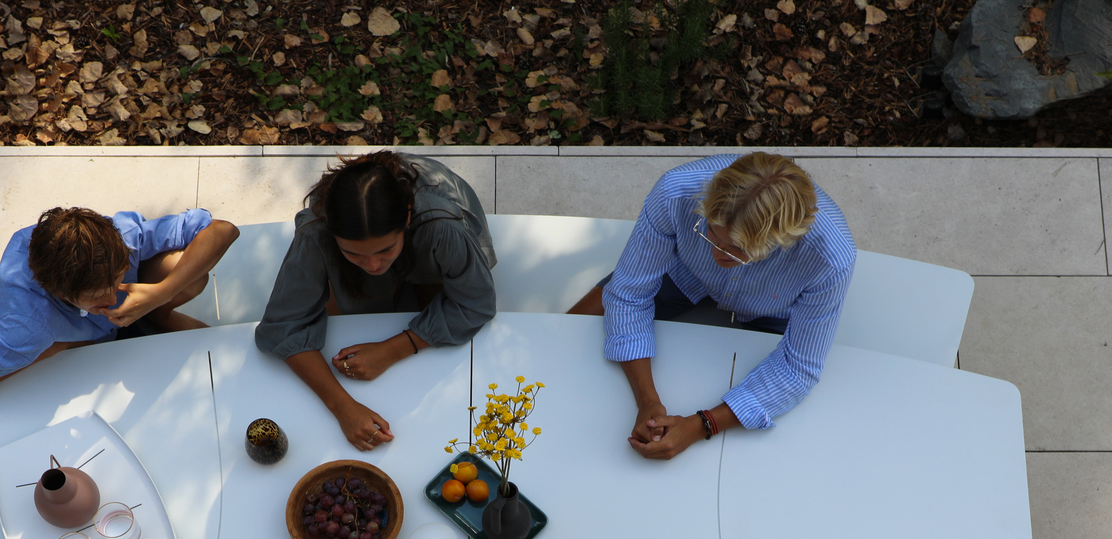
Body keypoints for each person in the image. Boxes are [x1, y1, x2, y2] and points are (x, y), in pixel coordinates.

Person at [568, 152, 856, 461]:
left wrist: (702, 425)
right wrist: (648, 402)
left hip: (774, 309)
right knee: (571, 333)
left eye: (738, 249)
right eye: (711, 233)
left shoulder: (831, 259)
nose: (719, 255)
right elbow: (628, 294)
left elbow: (797, 368)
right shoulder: (674, 192)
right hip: (685, 272)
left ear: (783, 240)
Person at [256, 152, 497, 452]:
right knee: (361, 300)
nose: (372, 265)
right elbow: (282, 327)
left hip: (438, 217)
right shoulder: (316, 232)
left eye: (385, 249)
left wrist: (395, 348)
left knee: (435, 300)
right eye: (354, 253)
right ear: (331, 234)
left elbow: (476, 301)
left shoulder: (442, 225)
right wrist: (343, 406)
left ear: (407, 217)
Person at [0, 205, 238, 398]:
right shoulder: (28, 326)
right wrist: (46, 351)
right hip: (71, 342)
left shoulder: (123, 237)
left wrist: (161, 293)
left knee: (183, 270)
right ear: (58, 292)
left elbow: (222, 230)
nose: (114, 299)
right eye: (97, 297)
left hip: (123, 312)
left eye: (118, 279)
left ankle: (158, 314)